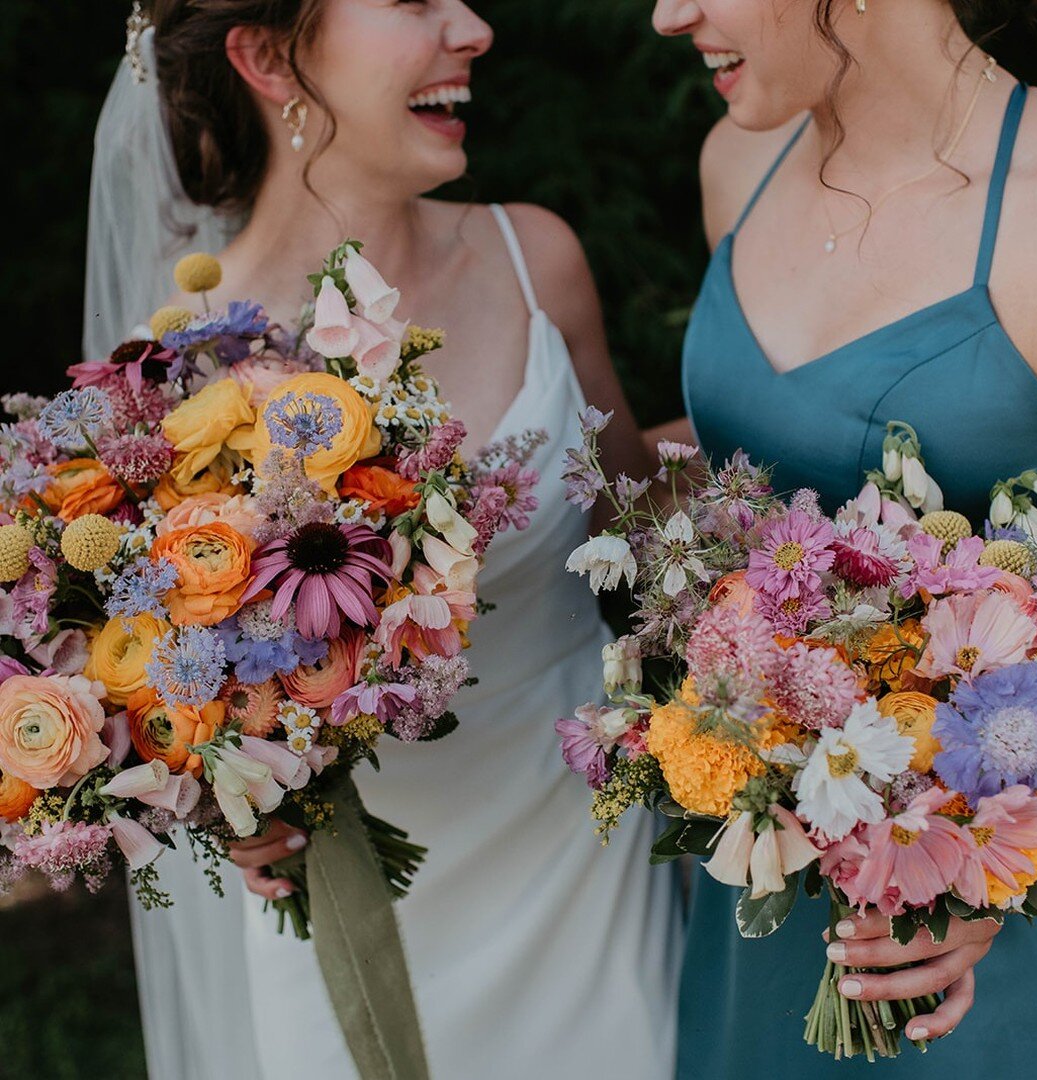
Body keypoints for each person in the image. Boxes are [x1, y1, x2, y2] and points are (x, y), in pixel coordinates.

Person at [83, 3, 681, 1078]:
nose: (476, 28)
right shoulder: (172, 385)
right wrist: (227, 801)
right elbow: (159, 698)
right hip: (355, 917)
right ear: (267, 58)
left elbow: (647, 537)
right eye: (413, 0)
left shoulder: (533, 254)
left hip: (583, 866)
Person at [648, 0, 1037, 1076]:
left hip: (1015, 935)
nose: (667, 15)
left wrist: (1004, 854)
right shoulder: (736, 164)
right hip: (774, 886)